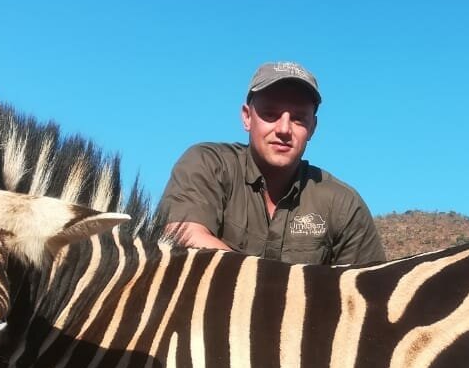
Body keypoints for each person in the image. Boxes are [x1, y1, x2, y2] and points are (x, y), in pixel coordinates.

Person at [160, 61, 386, 266]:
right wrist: (275, 288)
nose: (284, 129)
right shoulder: (207, 164)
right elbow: (183, 237)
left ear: (313, 128)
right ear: (247, 117)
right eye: (270, 114)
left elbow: (369, 288)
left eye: (298, 118)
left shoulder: (343, 205)